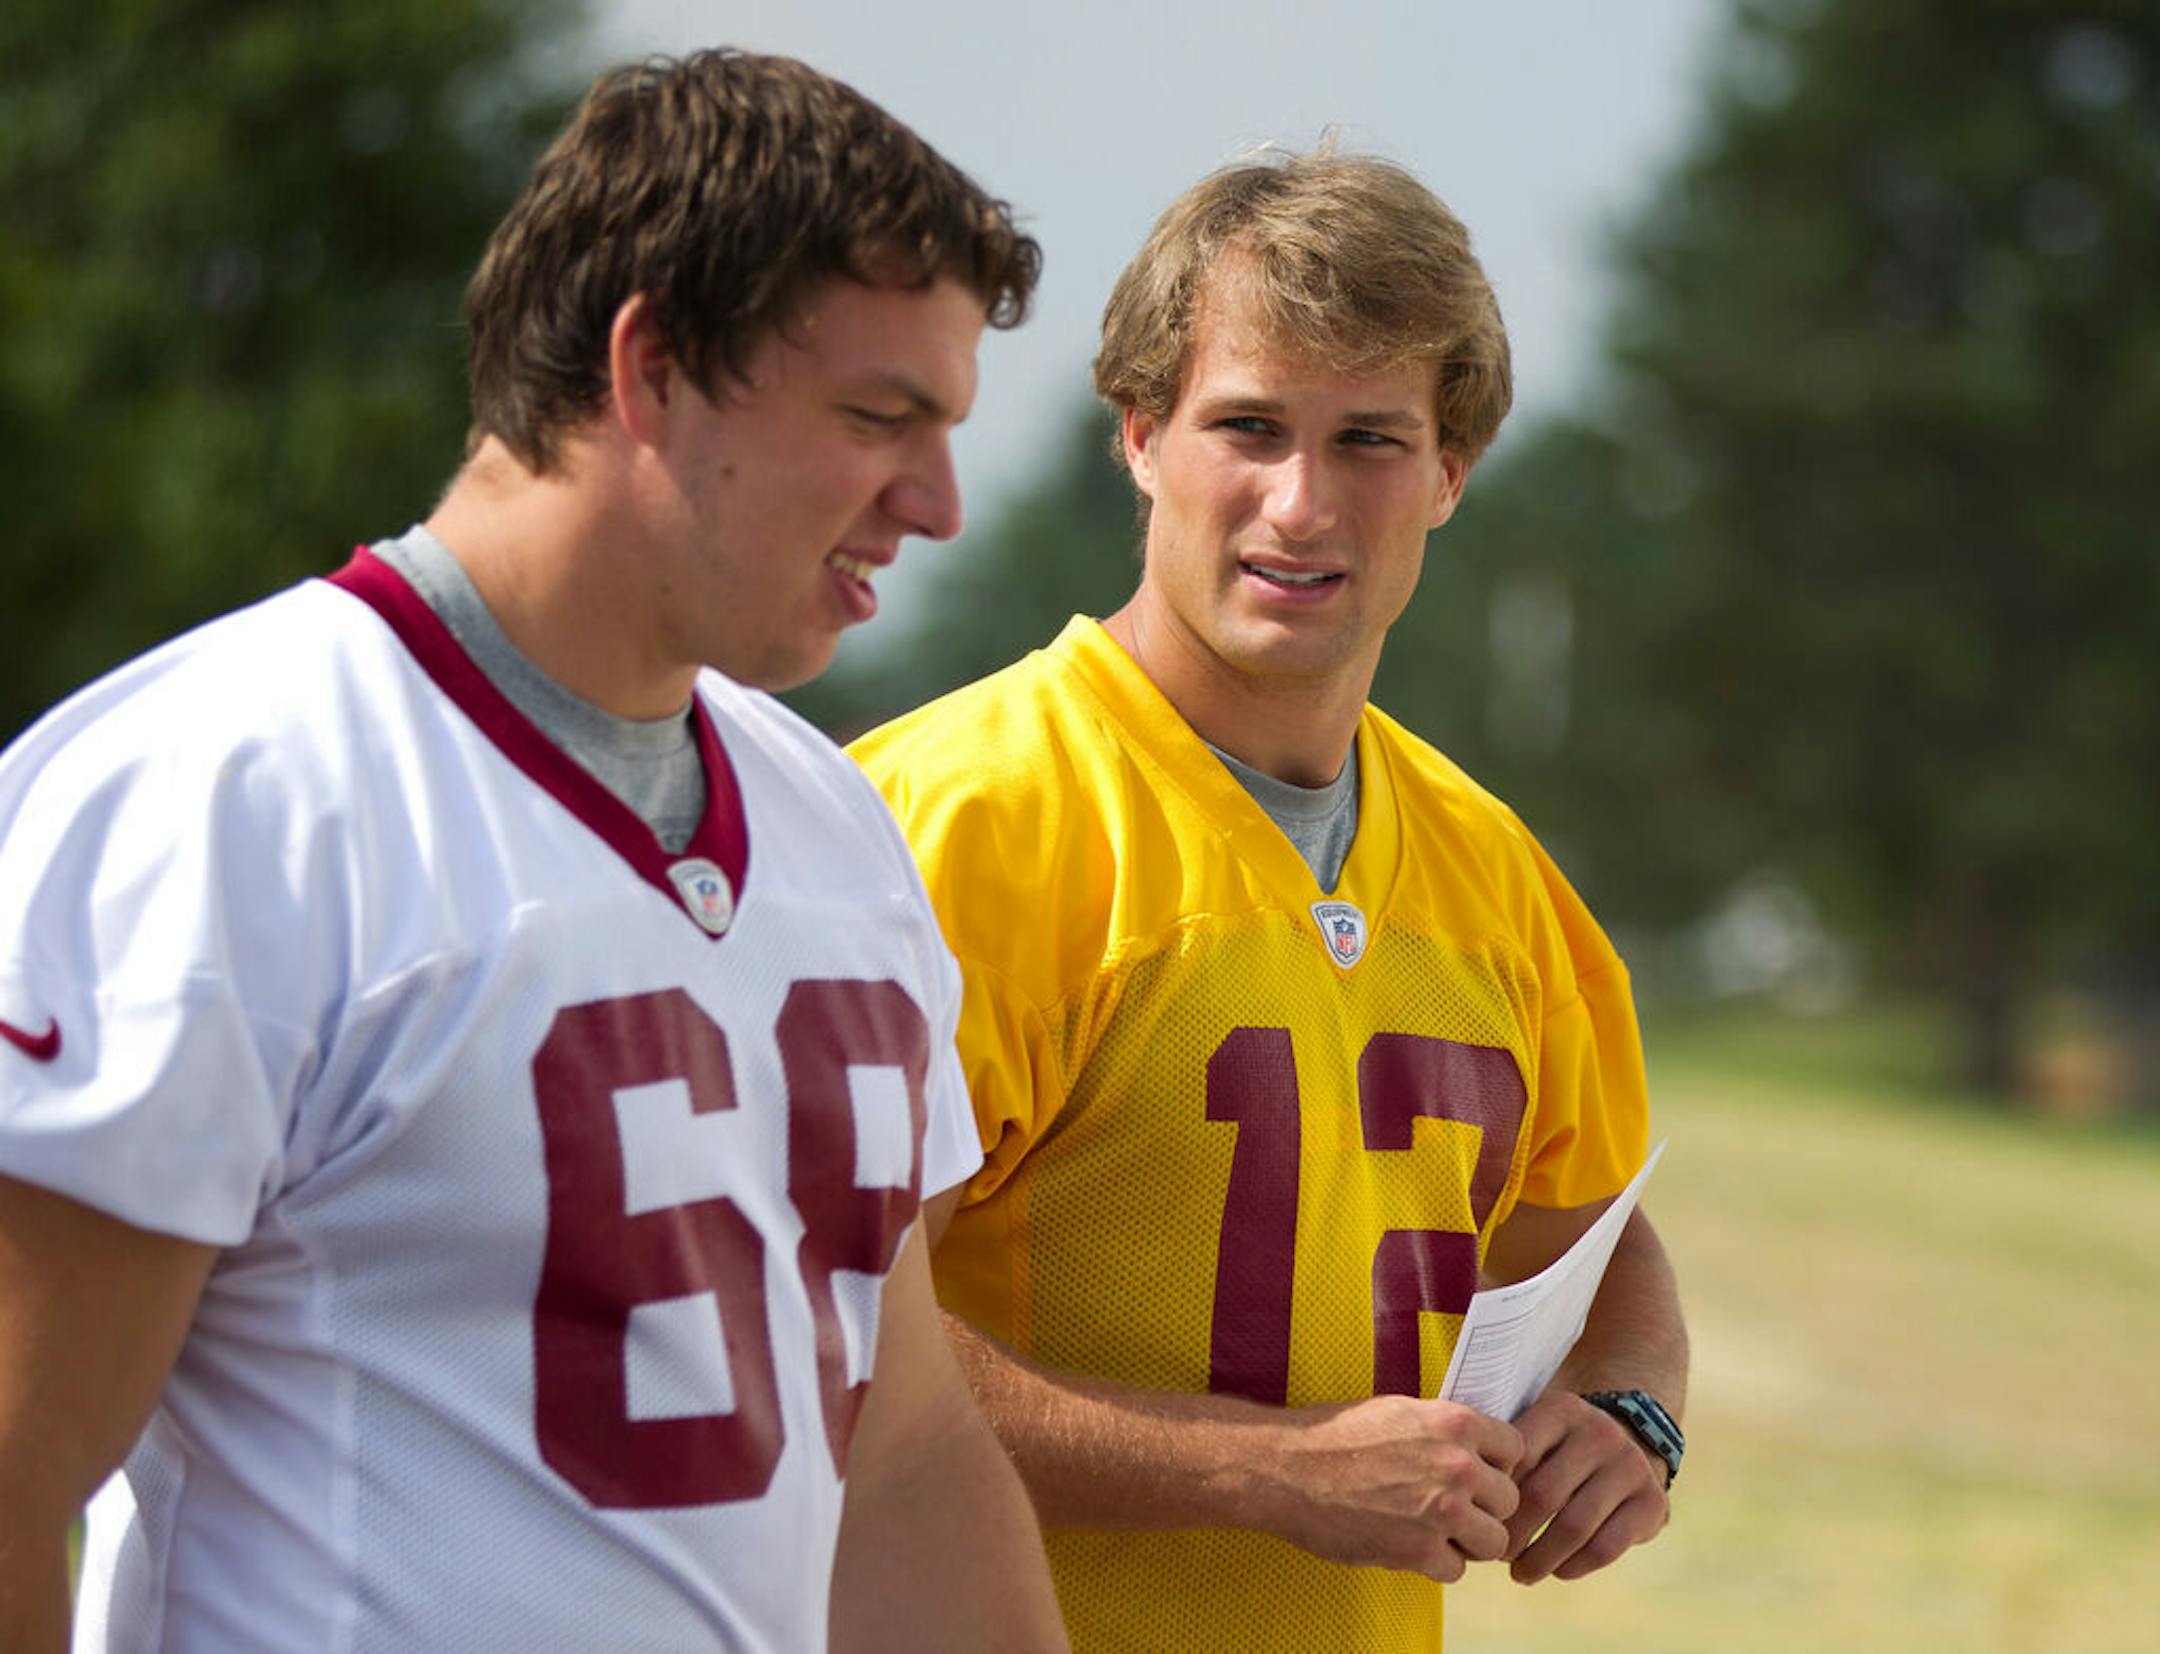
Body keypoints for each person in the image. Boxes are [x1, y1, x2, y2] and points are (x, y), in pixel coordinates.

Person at [0, 49, 1068, 1654]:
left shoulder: (833, 821)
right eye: (877, 417)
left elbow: (900, 1444)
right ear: (652, 368)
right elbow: (17, 1464)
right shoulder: (223, 790)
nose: (938, 501)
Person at [850, 148, 1690, 1652]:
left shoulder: (1493, 867)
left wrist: (1630, 1407)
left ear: (1451, 471)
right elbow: (817, 1329)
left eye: (1370, 438)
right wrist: (1268, 1469)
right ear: (1140, 435)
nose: (1301, 503)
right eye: (1248, 425)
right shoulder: (948, 820)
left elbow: (1598, 1233)